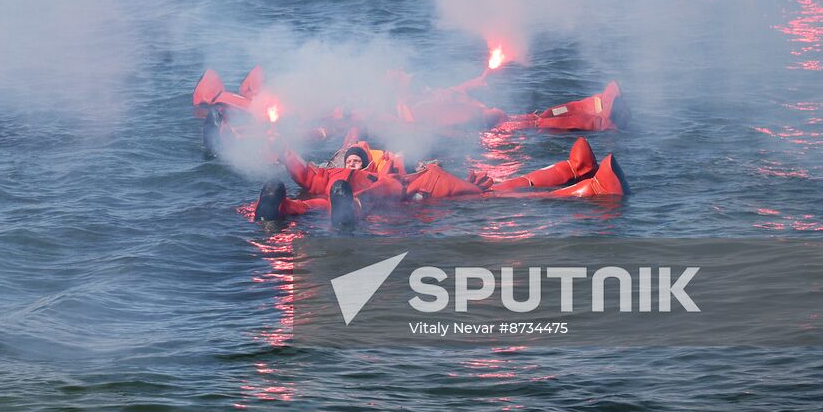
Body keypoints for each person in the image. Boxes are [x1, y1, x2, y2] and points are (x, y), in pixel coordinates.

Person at [253, 136, 627, 229]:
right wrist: (283, 150)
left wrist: (400, 171)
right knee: (331, 201)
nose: (353, 160)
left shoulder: (382, 171)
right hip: (357, 202)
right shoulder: (329, 175)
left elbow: (403, 181)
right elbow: (303, 174)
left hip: (397, 195)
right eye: (349, 157)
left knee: (493, 193)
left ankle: (579, 174)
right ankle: (281, 207)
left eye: (359, 157)